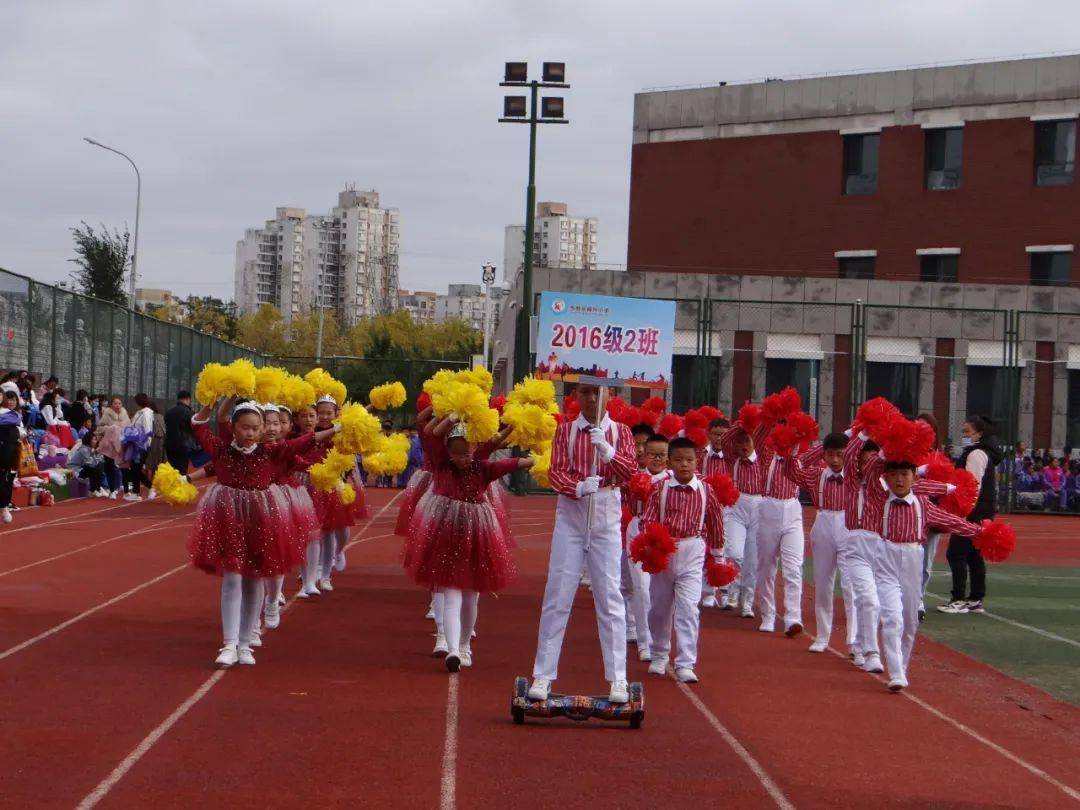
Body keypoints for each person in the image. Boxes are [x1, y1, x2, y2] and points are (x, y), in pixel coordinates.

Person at [189, 398, 338, 667]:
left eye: (255, 428)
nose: (250, 433)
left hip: (261, 519)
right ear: (233, 428)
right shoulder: (222, 450)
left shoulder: (271, 451)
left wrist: (338, 429)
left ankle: (246, 642)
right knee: (232, 578)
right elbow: (199, 425)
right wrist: (216, 402)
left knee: (253, 579)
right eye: (244, 427)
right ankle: (229, 643)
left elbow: (306, 441)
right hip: (228, 519)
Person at [529, 383, 636, 705]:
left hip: (606, 510)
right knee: (558, 593)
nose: (592, 399)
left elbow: (629, 471)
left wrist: (608, 452)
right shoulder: (565, 432)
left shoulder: (621, 432)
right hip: (573, 514)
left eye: (598, 393)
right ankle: (543, 675)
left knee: (610, 597)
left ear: (610, 396)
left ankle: (618, 677)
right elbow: (556, 471)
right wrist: (577, 487)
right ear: (576, 396)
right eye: (586, 392)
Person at [405, 415, 531, 672]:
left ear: (474, 450)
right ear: (448, 452)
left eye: (467, 453)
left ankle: (465, 645)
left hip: (478, 537)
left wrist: (537, 456)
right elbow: (430, 433)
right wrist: (449, 417)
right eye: (456, 453)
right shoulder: (441, 465)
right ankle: (452, 649)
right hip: (445, 533)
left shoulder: (482, 466)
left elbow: (510, 461)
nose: (462, 459)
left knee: (471, 595)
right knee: (450, 592)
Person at [866, 455, 990, 692]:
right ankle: (896, 672)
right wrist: (884, 454)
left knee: (910, 620)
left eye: (905, 474)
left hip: (913, 558)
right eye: (893, 475)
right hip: (885, 559)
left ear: (915, 477)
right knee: (892, 617)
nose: (899, 480)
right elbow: (870, 472)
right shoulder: (879, 498)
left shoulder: (923, 505)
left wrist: (980, 532)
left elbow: (952, 522)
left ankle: (901, 665)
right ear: (886, 478)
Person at [641, 437, 725, 683]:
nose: (684, 465)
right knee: (659, 607)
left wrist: (718, 558)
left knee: (689, 607)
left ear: (697, 461)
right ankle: (659, 653)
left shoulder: (706, 491)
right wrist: (651, 544)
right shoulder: (660, 489)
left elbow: (716, 524)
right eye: (678, 460)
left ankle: (686, 662)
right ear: (670, 462)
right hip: (665, 551)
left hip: (693, 549)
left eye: (689, 460)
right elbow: (648, 519)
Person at [782, 432, 857, 654]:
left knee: (850, 585)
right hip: (823, 522)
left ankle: (854, 641)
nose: (834, 460)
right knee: (823, 584)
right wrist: (795, 449)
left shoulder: (856, 475)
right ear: (823, 455)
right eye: (830, 455)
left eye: (840, 455)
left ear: (848, 456)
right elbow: (792, 470)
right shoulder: (817, 475)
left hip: (849, 525)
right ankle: (823, 637)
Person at [938, 415, 1002, 615]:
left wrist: (964, 513)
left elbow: (972, 485)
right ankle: (975, 598)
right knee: (974, 554)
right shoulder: (983, 453)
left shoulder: (976, 454)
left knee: (956, 553)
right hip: (982, 509)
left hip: (974, 510)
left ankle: (958, 599)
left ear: (979, 433)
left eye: (967, 431)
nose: (964, 435)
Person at [717, 416, 769, 616]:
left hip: (758, 507)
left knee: (752, 559)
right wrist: (742, 423)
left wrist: (753, 426)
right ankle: (732, 592)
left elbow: (764, 433)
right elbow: (725, 440)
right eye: (739, 442)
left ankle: (747, 600)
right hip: (736, 507)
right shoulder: (732, 459)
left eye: (747, 440)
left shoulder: (763, 457)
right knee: (734, 552)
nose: (743, 445)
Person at [121, 393, 156, 501]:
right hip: (136, 444)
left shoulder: (145, 413)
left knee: (135, 468)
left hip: (141, 445)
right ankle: (146, 488)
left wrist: (141, 441)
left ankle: (140, 491)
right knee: (135, 468)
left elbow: (146, 430)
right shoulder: (140, 413)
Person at [0, 382, 24, 524]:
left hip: (6, 451)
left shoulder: (10, 414)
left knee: (4, 479)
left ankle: (4, 507)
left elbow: (13, 419)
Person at [164, 390, 195, 473]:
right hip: (183, 445)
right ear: (188, 399)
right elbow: (193, 429)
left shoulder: (169, 412)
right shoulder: (189, 412)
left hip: (169, 445)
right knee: (181, 472)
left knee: (172, 470)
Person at [69, 432, 109, 496]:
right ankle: (93, 490)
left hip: (84, 469)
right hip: (76, 470)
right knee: (97, 468)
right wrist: (97, 453)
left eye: (96, 439)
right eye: (94, 439)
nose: (96, 441)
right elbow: (91, 464)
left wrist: (99, 455)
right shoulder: (84, 450)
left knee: (101, 465)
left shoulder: (90, 449)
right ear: (88, 440)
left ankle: (98, 488)